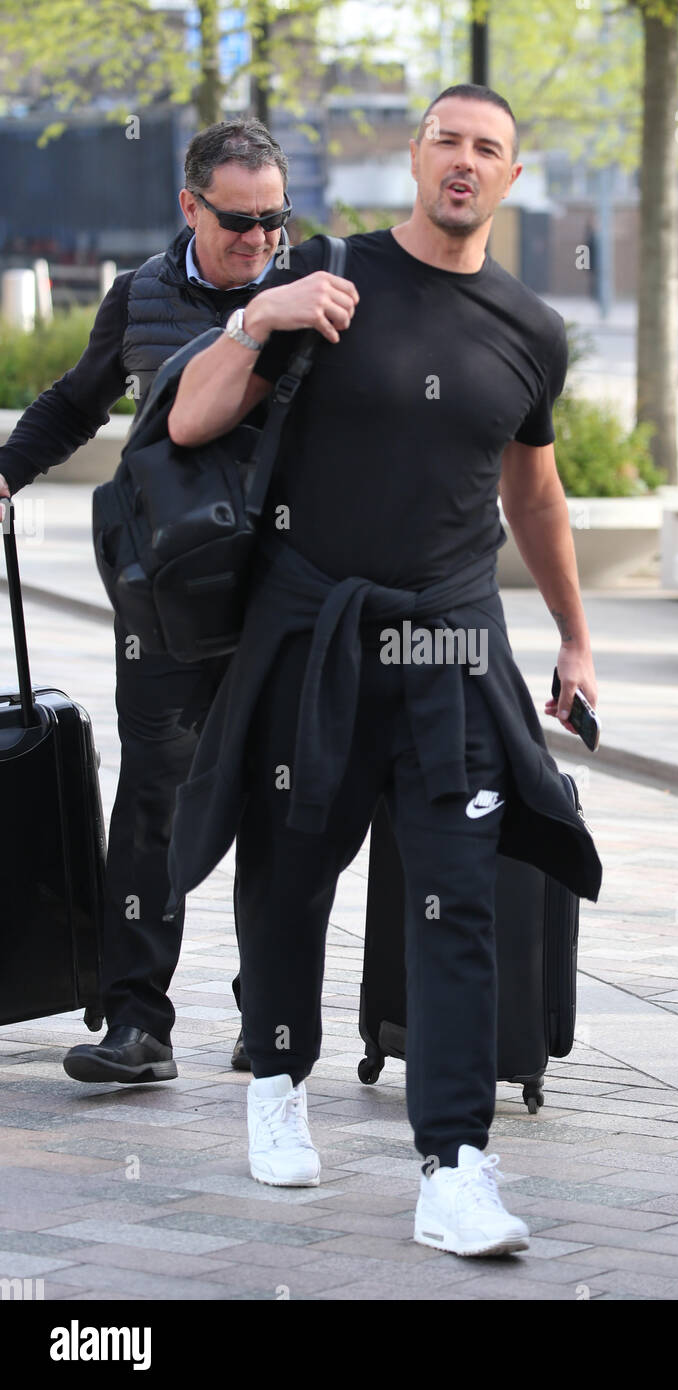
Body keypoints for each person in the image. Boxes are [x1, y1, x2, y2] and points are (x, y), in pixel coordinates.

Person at [166, 84, 603, 1257]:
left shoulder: (529, 329)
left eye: (489, 150)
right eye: (447, 141)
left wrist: (572, 634)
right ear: (414, 158)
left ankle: (454, 1163)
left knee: (458, 894)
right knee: (292, 873)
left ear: (512, 178)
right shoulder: (325, 274)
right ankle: (275, 1071)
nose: (464, 162)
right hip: (316, 632)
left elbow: (534, 492)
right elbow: (191, 424)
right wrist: (260, 318)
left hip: (452, 641)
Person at [0, 120, 293, 1083]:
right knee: (153, 809)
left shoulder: (318, 294)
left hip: (289, 598)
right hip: (166, 603)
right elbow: (77, 401)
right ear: (189, 205)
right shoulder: (139, 296)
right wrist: (6, 473)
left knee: (280, 808)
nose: (257, 242)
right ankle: (138, 1024)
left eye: (272, 221)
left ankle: (272, 1019)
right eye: (237, 221)